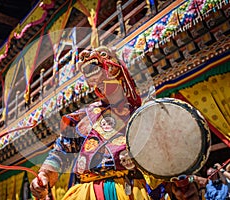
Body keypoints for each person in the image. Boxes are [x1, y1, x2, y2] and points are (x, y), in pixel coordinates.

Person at [30, 46, 201, 200]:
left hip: (130, 191)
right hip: (84, 193)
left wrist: (181, 182)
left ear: (121, 73)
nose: (101, 88)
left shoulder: (145, 116)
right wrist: (44, 174)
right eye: (97, 85)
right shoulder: (82, 118)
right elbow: (61, 152)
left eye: (105, 80)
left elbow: (166, 159)